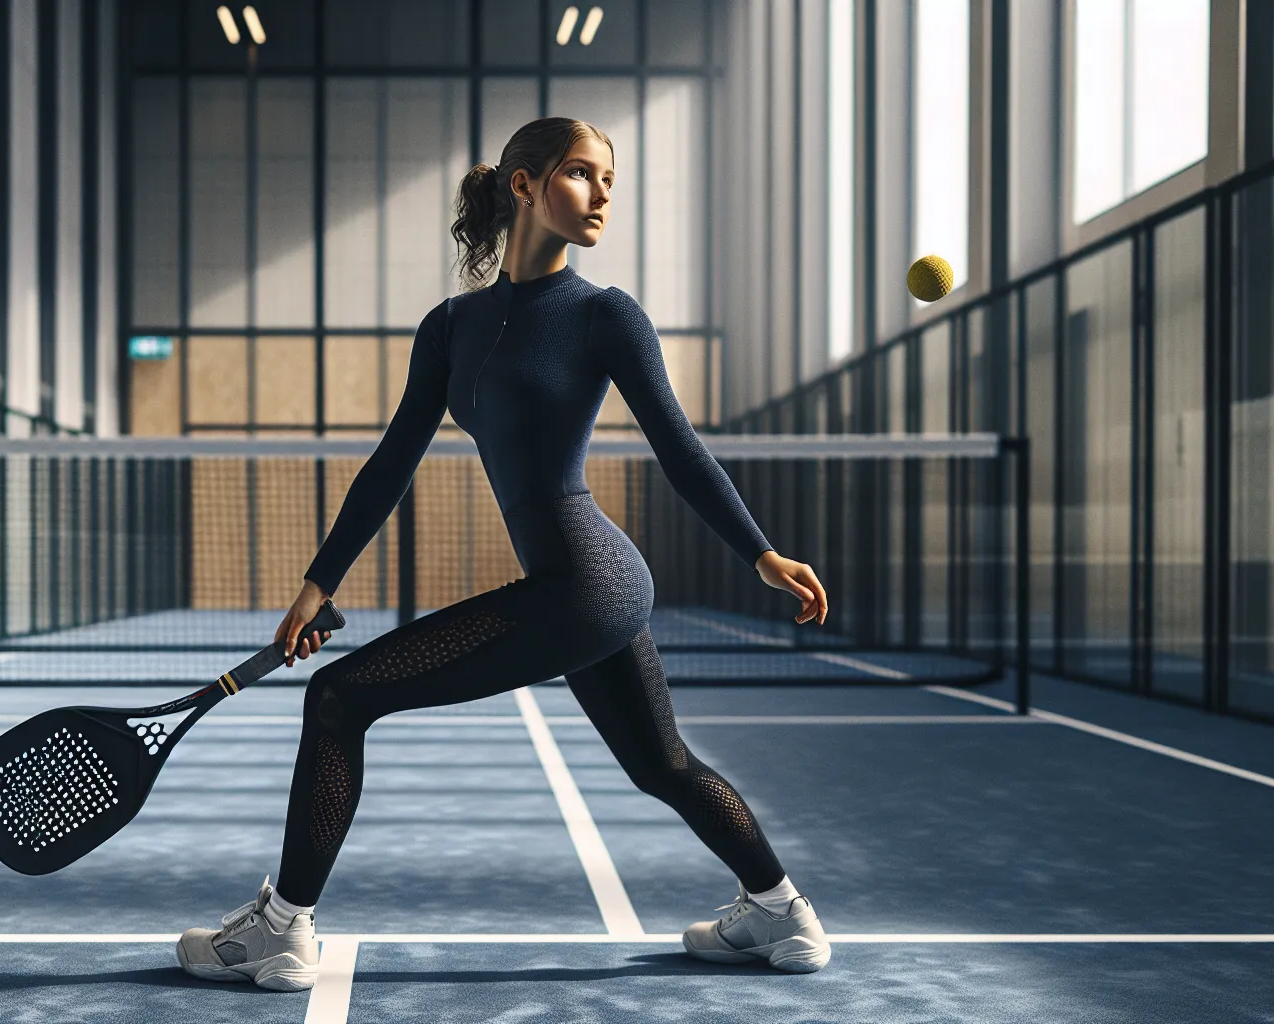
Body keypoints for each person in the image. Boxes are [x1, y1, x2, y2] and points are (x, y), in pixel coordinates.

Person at [176, 117, 832, 992]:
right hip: (580, 589)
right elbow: (391, 463)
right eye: (582, 174)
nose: (602, 195)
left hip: (589, 582)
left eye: (609, 180)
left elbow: (680, 449)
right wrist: (317, 583)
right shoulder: (450, 328)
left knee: (338, 698)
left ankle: (282, 929)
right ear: (524, 185)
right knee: (662, 764)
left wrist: (762, 554)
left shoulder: (606, 315)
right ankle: (781, 910)